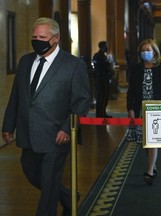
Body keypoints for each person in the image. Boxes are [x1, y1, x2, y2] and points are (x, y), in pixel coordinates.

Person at [1, 17, 91, 216]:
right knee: (31, 172)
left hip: (56, 135)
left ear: (56, 38)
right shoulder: (25, 61)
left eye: (42, 37)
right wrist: (8, 125)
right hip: (29, 135)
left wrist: (67, 128)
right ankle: (68, 197)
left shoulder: (73, 65)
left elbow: (82, 100)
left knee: (49, 184)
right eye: (34, 36)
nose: (37, 40)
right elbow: (16, 96)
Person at [127, 39, 161, 185]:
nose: (145, 53)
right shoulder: (136, 69)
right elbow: (131, 91)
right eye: (143, 50)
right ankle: (152, 164)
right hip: (140, 109)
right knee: (143, 142)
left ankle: (149, 171)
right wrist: (130, 108)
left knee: (152, 141)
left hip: (157, 110)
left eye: (148, 50)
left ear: (154, 51)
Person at [93, 41, 114, 118]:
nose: (107, 48)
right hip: (102, 80)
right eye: (106, 46)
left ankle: (102, 113)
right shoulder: (100, 56)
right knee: (102, 97)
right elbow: (106, 67)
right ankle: (101, 114)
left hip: (101, 79)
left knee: (102, 97)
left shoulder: (98, 55)